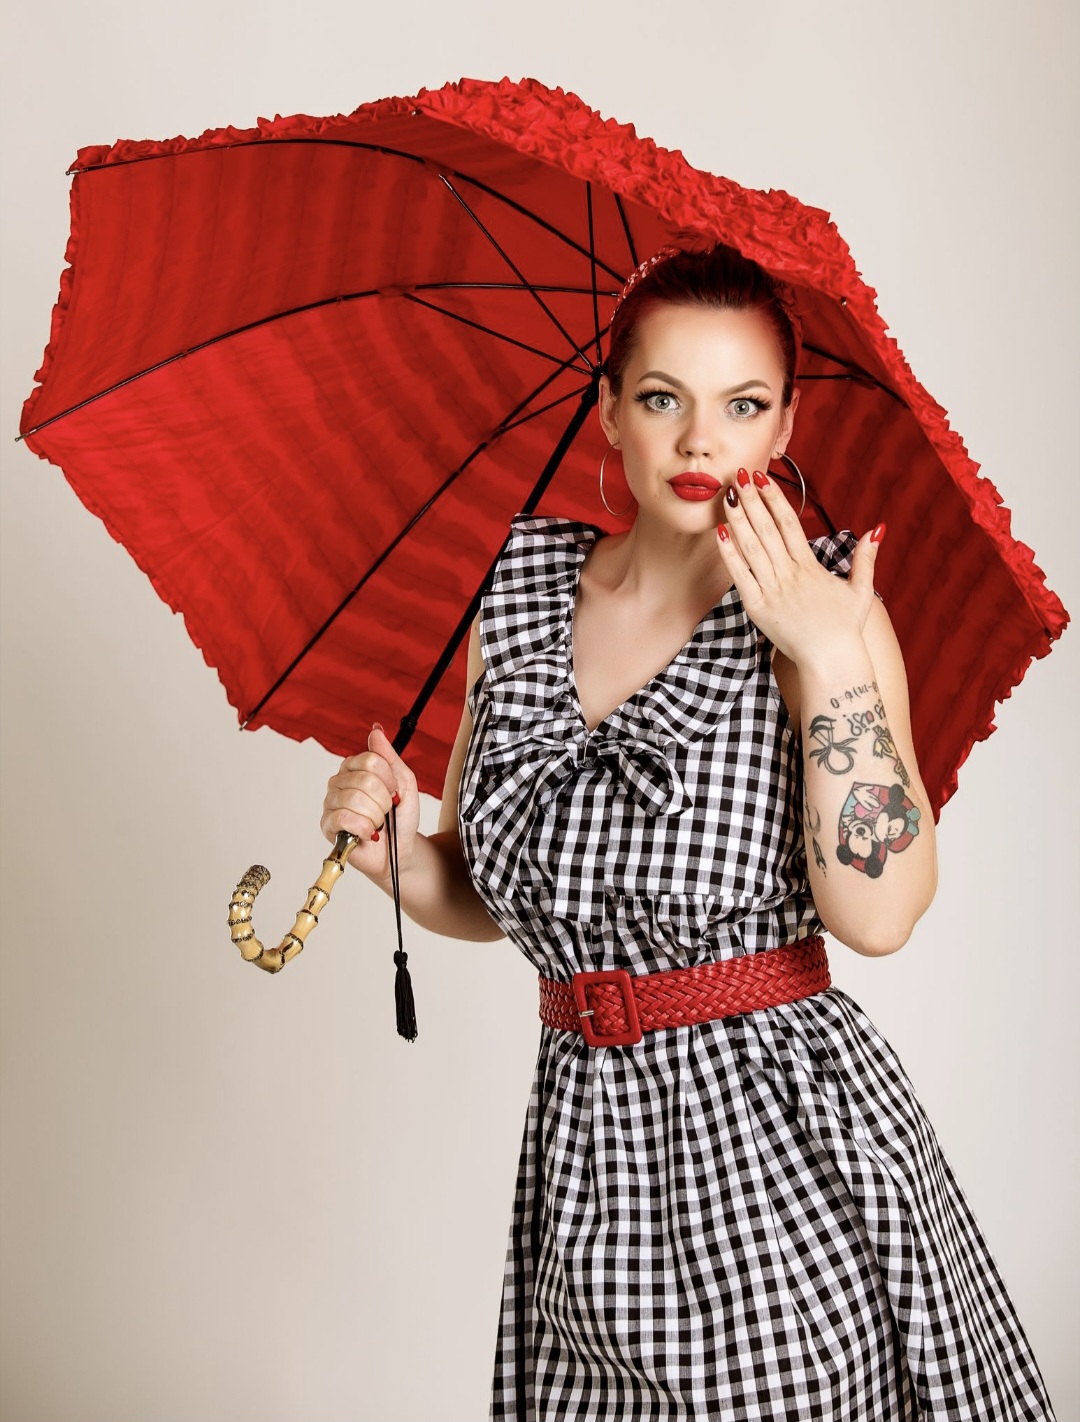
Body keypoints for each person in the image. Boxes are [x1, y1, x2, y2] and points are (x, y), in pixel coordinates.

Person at [320, 243, 1056, 1420]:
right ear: (609, 410)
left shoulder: (826, 612)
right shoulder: (515, 592)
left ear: (786, 424)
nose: (700, 440)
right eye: (664, 399)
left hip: (775, 1146)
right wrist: (389, 857)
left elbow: (879, 916)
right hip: (583, 1160)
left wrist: (828, 654)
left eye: (743, 405)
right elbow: (491, 893)